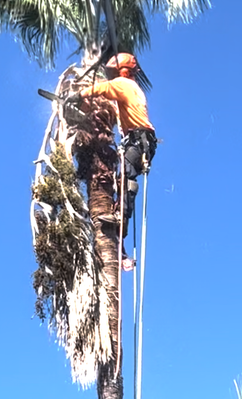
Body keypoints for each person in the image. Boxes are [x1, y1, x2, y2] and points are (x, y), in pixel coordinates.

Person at [67, 53, 157, 269]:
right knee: (123, 178)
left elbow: (102, 89)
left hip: (138, 141)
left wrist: (79, 95)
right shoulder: (132, 88)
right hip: (141, 140)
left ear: (118, 70)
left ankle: (121, 220)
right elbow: (114, 107)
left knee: (125, 176)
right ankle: (121, 236)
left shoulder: (122, 84)